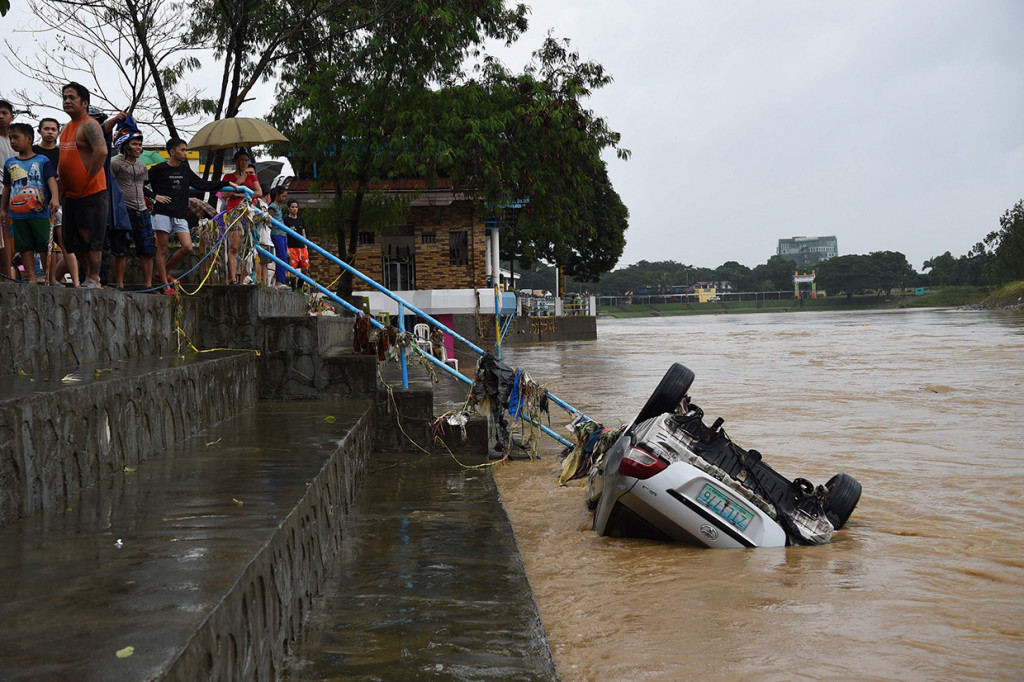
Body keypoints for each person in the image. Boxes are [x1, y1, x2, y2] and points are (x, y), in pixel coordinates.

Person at [148, 137, 236, 294]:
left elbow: (201, 184)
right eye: (182, 150)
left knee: (187, 247)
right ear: (172, 152)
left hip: (180, 214)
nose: (185, 153)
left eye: (186, 150)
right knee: (163, 249)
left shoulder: (184, 169)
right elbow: (140, 182)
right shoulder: (158, 169)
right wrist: (155, 196)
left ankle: (163, 273)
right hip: (162, 212)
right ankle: (165, 286)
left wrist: (225, 184)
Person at [58, 82, 109, 289]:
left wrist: (88, 175)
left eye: (71, 97)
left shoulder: (89, 124)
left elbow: (102, 151)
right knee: (73, 240)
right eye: (64, 97)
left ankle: (95, 278)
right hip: (71, 195)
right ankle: (88, 276)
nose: (67, 101)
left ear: (84, 102)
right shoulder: (67, 127)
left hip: (92, 192)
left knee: (90, 237)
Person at [1, 123, 59, 285]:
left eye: (16, 137)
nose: (12, 141)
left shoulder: (42, 160)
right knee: (24, 246)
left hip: (39, 211)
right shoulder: (9, 163)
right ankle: (32, 278)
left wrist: (55, 198)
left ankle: (51, 278)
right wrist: (3, 209)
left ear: (29, 139)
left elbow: (51, 180)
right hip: (17, 213)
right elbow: (7, 186)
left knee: (44, 245)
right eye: (11, 138)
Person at [110, 127, 163, 289]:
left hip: (143, 210)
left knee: (147, 249)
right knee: (121, 249)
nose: (138, 147)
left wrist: (150, 202)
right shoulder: (115, 163)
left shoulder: (142, 167)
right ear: (125, 145)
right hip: (123, 210)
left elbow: (141, 187)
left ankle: (148, 285)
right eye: (134, 144)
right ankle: (119, 284)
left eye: (140, 144)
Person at [33, 117, 76, 285]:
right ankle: (47, 278)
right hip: (34, 202)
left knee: (65, 242)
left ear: (58, 132)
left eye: (53, 129)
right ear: (39, 131)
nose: (50, 132)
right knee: (42, 244)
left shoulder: (62, 153)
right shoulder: (33, 151)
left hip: (59, 202)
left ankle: (71, 280)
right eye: (46, 128)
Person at [220, 147, 262, 284]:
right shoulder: (228, 177)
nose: (244, 163)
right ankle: (232, 278)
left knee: (249, 247)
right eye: (241, 160)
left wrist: (240, 194)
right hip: (234, 212)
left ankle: (246, 278)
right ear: (235, 161)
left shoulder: (252, 176)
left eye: (246, 160)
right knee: (234, 247)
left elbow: (258, 192)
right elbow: (224, 195)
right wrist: (239, 181)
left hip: (248, 212)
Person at [0, 99, 16, 280]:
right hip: (1, 194)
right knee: (3, 235)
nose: (1, 117)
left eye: (4, 113)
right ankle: (5, 277)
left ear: (12, 116)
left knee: (10, 237)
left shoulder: (16, 140)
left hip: (17, 195)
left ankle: (7, 276)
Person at [267, 186, 289, 289]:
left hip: (282, 234)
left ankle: (281, 280)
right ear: (277, 195)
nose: (285, 198)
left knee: (284, 257)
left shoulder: (278, 207)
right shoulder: (272, 206)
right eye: (283, 196)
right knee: (281, 257)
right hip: (276, 234)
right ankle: (279, 281)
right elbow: (268, 219)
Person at [283, 199, 308, 289]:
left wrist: (305, 245)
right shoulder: (286, 220)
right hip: (291, 247)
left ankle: (300, 287)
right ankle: (294, 288)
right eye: (293, 207)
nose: (294, 209)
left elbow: (303, 233)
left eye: (296, 207)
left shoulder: (301, 219)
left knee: (305, 268)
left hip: (302, 247)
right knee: (292, 269)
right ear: (289, 208)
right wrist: (286, 248)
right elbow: (284, 235)